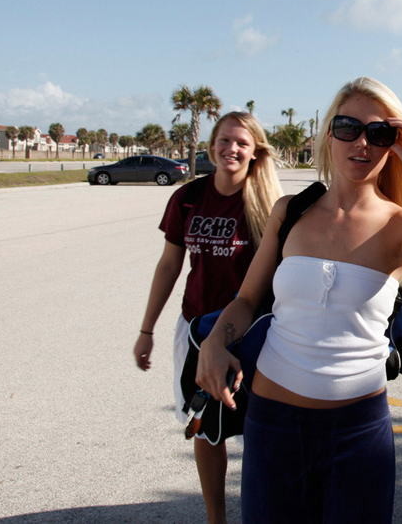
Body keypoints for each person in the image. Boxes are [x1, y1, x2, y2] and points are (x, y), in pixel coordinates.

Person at [197, 76, 402, 523]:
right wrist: (215, 342)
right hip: (274, 424)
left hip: (358, 431)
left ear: (393, 144)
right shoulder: (290, 211)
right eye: (347, 127)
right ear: (329, 134)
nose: (361, 142)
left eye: (379, 134)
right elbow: (245, 300)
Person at [134, 111, 283, 524]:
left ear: (255, 153)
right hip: (197, 329)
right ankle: (216, 518)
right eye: (224, 140)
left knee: (259, 428)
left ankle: (261, 511)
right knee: (205, 427)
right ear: (212, 143)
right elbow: (169, 265)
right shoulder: (187, 197)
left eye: (241, 143)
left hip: (254, 332)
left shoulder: (270, 207)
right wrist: (146, 330)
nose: (231, 149)